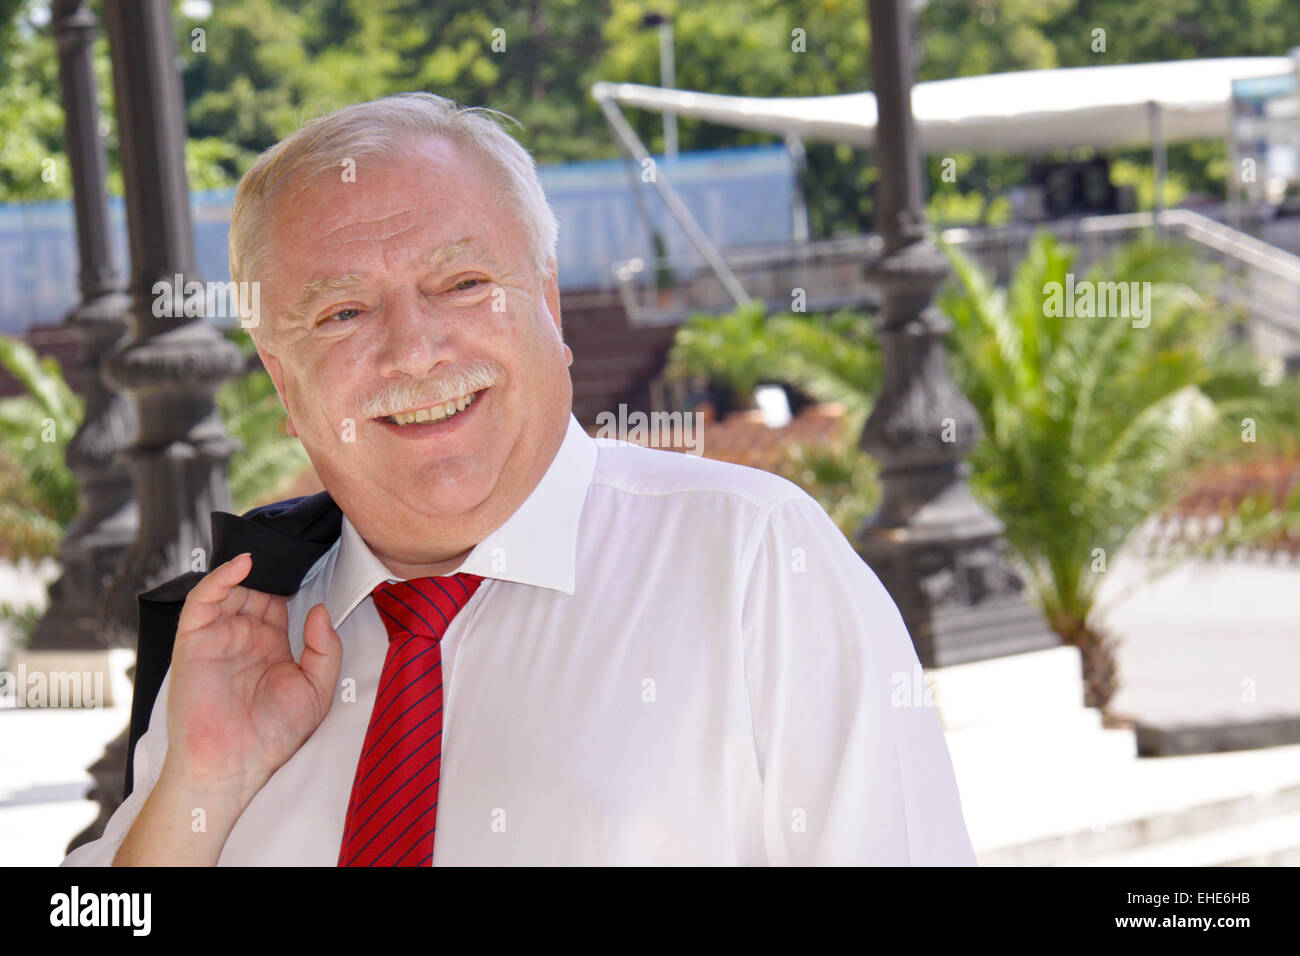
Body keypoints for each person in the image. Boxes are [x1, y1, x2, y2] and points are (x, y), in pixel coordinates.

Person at [61, 92, 976, 866]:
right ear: (280, 381)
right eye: (342, 312)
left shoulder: (750, 563)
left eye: (462, 282)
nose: (413, 349)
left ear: (547, 300)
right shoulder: (239, 635)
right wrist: (201, 787)